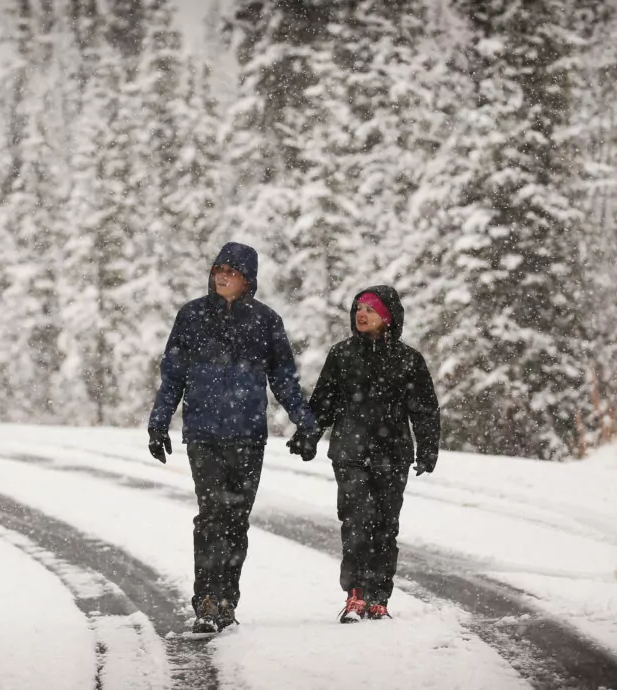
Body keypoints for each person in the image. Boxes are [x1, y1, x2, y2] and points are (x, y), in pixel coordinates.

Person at [148, 241, 319, 634]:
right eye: (218, 268)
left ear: (248, 280)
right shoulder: (191, 316)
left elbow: (284, 379)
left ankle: (227, 601)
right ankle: (206, 602)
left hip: (247, 436)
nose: (222, 275)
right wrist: (159, 423)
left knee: (236, 520)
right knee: (211, 518)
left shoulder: (265, 321)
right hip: (204, 435)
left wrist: (306, 423)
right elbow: (173, 375)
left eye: (232, 270)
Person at [289, 286, 440, 622]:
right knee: (356, 521)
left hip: (393, 454)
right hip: (350, 452)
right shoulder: (342, 355)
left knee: (386, 526)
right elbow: (323, 403)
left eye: (370, 309)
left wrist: (428, 449)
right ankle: (356, 595)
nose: (361, 313)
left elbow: (425, 409)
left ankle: (379, 598)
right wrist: (307, 436)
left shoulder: (409, 360)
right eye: (358, 307)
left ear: (387, 316)